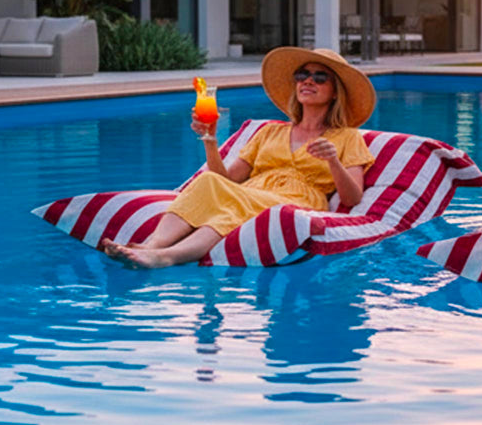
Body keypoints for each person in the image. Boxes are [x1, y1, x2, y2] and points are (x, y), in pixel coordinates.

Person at [102, 47, 376, 268]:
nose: (307, 81)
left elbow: (352, 198)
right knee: (209, 181)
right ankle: (153, 245)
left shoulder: (346, 137)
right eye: (302, 75)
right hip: (250, 193)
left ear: (334, 91)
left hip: (296, 202)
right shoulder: (269, 132)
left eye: (319, 77)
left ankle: (169, 256)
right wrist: (210, 139)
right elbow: (226, 180)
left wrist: (333, 161)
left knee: (234, 201)